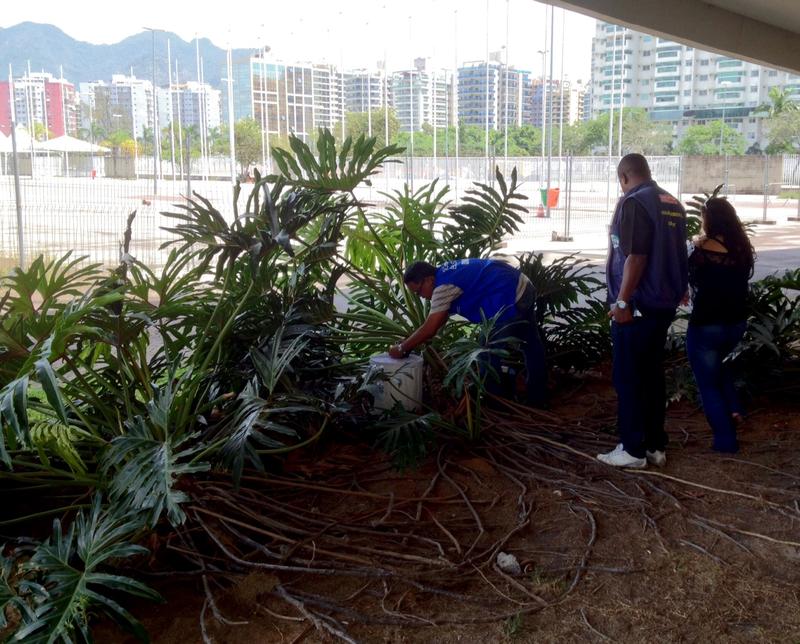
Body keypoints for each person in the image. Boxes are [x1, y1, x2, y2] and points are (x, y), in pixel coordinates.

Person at [597, 154, 688, 468]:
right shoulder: (671, 201)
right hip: (663, 303)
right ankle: (654, 445)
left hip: (636, 307)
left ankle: (633, 449)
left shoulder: (635, 202)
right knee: (651, 374)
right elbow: (676, 251)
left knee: (628, 376)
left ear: (624, 177)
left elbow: (636, 256)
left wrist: (622, 302)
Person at [388, 258, 548, 407]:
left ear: (429, 280)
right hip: (522, 286)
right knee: (531, 345)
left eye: (419, 291)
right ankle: (538, 398)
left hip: (510, 295)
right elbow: (440, 318)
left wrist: (402, 348)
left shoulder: (442, 287)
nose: (422, 297)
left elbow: (431, 327)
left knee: (486, 351)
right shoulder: (446, 273)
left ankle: (497, 404)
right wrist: (420, 338)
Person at [686, 198, 754, 453]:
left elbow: (690, 277)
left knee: (707, 383)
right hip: (736, 323)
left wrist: (697, 243)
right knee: (719, 366)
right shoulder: (742, 248)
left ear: (709, 219)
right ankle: (735, 408)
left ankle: (725, 440)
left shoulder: (702, 250)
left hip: (706, 324)